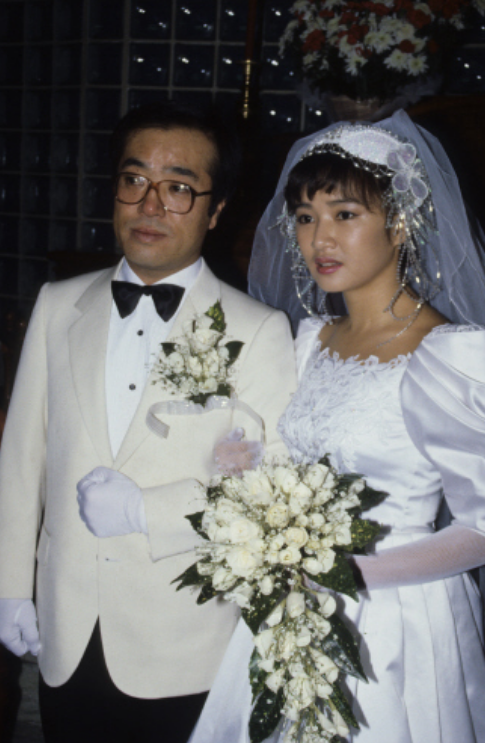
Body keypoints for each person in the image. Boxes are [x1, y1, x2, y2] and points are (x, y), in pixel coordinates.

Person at [189, 110, 485, 742]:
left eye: (345, 214)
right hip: (292, 605)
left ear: (400, 222)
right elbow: (301, 462)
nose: (320, 239)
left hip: (399, 619)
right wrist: (249, 474)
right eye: (306, 217)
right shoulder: (310, 340)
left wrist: (344, 574)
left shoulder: (451, 353)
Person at [0, 102, 297, 743]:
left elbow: (269, 492)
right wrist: (8, 585)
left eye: (179, 188)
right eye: (134, 180)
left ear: (216, 211)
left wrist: (145, 511)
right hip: (64, 627)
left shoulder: (259, 331)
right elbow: (21, 458)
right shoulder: (57, 304)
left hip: (182, 642)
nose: (151, 204)